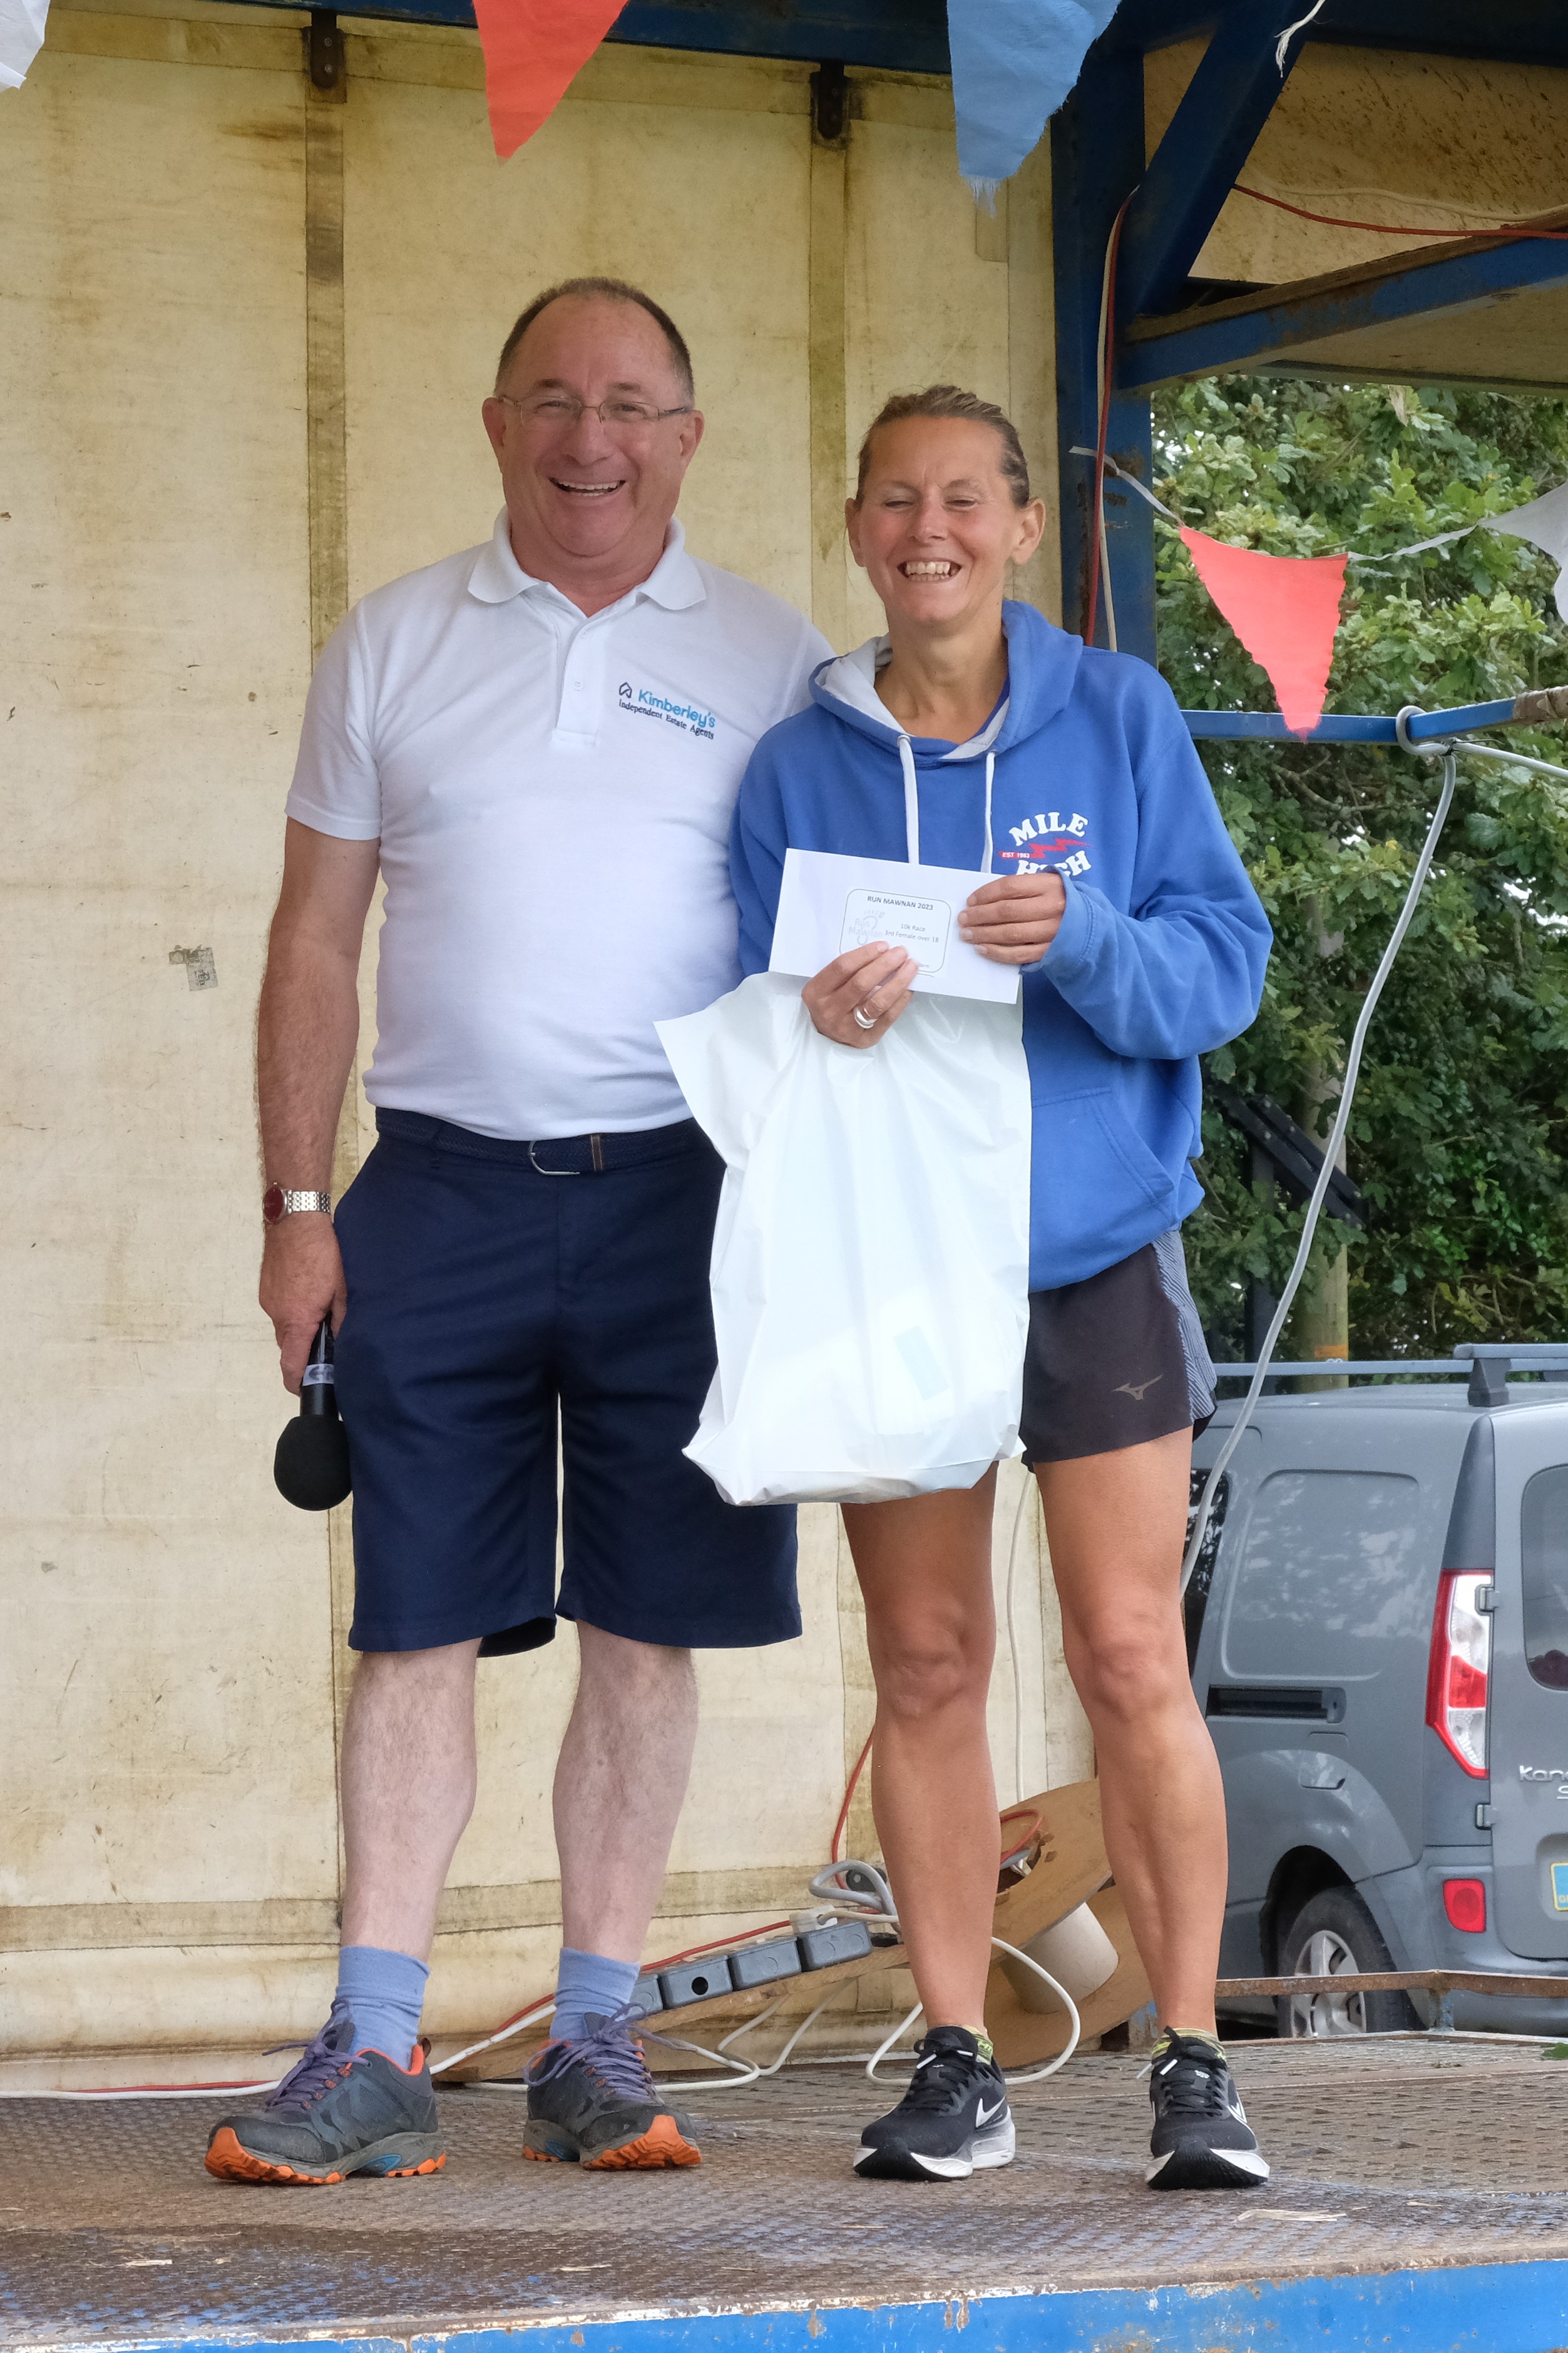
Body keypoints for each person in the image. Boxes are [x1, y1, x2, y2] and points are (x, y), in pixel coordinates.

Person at [205, 279, 831, 2188]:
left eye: (631, 405)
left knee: (648, 1625)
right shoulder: (393, 640)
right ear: (495, 424)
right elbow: (314, 939)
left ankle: (595, 2039)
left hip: (687, 1196)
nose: (590, 440)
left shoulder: (779, 658)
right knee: (411, 1623)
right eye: (553, 400)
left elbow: (835, 948)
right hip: (440, 1191)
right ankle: (372, 2044)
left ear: (687, 439)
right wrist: (296, 1207)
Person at [729, 386, 1273, 2191]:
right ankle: (958, 2059)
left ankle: (1193, 2061)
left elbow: (1223, 974)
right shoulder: (794, 768)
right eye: (896, 500)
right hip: (894, 1258)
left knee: (1127, 1653)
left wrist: (1090, 938)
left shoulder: (1118, 718)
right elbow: (747, 1035)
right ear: (857, 528)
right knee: (926, 1661)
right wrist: (813, 1019)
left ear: (1024, 528)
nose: (930, 531)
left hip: (1090, 1254)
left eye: (964, 498)